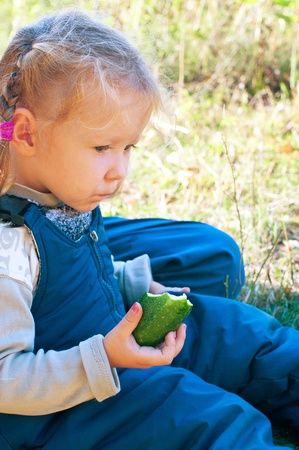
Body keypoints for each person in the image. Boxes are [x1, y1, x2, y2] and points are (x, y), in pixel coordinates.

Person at [0, 9, 297, 450]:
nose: (119, 170)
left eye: (128, 147)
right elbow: (7, 378)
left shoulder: (64, 191)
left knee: (241, 337)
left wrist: (130, 282)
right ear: (26, 133)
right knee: (218, 424)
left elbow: (72, 273)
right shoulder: (10, 248)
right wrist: (103, 359)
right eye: (102, 147)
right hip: (68, 408)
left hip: (114, 337)